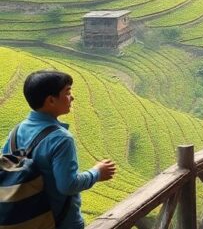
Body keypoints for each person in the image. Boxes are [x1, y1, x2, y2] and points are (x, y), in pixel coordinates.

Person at [1, 71, 117, 229]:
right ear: (51, 100)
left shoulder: (17, 131)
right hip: (59, 222)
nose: (72, 97)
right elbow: (67, 185)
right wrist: (96, 173)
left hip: (24, 219)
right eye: (68, 92)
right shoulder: (62, 139)